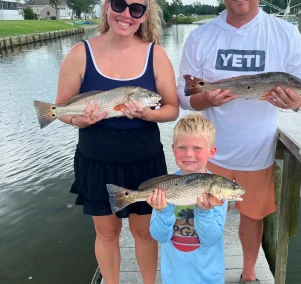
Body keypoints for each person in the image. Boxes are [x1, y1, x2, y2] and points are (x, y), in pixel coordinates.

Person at [176, 1, 301, 282]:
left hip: (257, 150)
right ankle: (203, 273)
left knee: (253, 217)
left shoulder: (285, 34)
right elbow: (184, 94)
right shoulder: (200, 36)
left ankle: (249, 274)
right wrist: (206, 97)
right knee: (203, 219)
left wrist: (296, 103)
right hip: (209, 153)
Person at [54, 0, 179, 283]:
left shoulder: (156, 54)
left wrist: (148, 114)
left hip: (145, 162)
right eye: (120, 4)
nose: (126, 14)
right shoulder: (79, 54)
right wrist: (79, 120)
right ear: (107, 6)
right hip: (96, 161)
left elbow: (172, 108)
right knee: (106, 234)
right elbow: (60, 109)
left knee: (143, 232)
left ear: (145, 15)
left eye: (136, 9)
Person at [147, 112, 228, 284]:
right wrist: (162, 211)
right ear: (173, 150)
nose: (189, 154)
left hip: (208, 278)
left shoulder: (218, 188)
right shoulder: (165, 187)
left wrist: (204, 212)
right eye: (182, 147)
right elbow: (160, 236)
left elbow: (211, 238)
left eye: (197, 148)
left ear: (211, 152)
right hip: (174, 277)